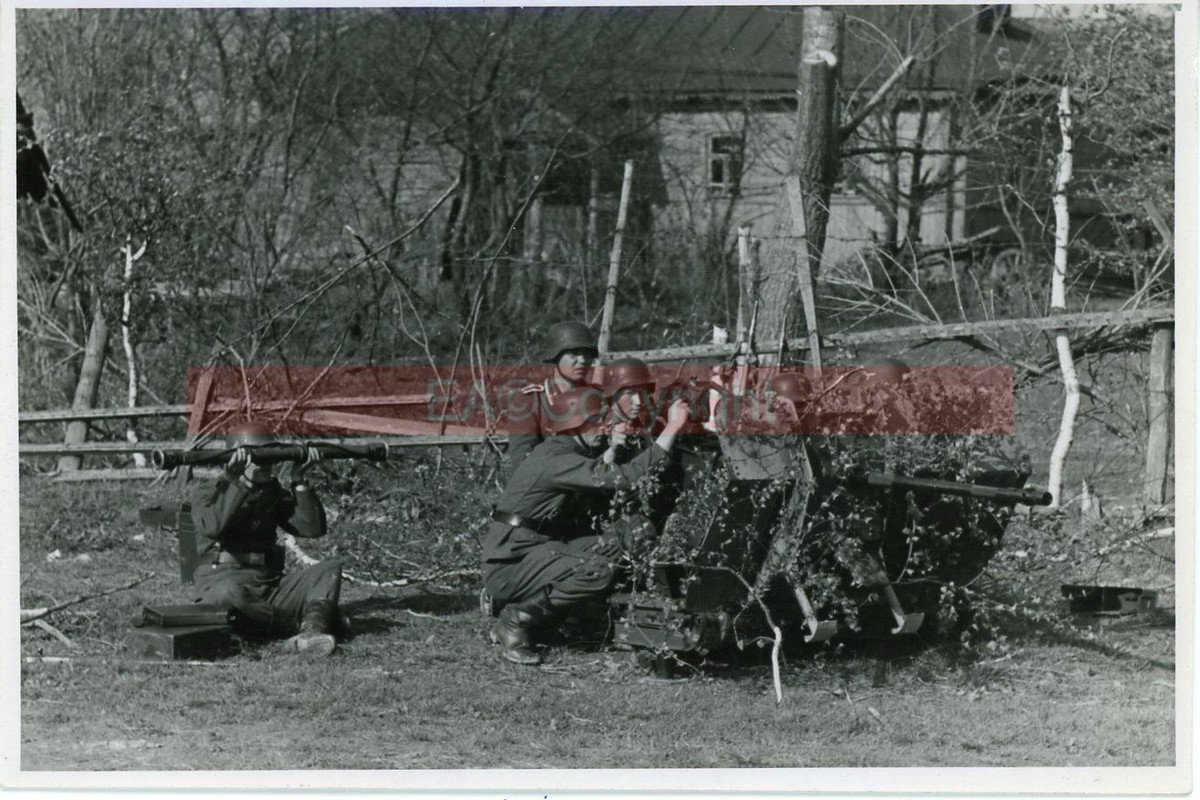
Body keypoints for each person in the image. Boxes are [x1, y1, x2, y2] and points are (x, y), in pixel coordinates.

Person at [482, 386, 691, 666]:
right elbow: (626, 478)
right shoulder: (556, 458)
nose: (605, 427)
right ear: (574, 424)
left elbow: (598, 478)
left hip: (534, 552)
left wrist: (612, 451)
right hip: (511, 564)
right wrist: (673, 426)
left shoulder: (565, 451)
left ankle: (652, 615)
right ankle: (514, 621)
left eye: (605, 420)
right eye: (597, 422)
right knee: (596, 569)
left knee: (625, 536)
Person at [189, 421, 347, 656]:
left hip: (270, 585)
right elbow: (211, 526)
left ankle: (311, 631)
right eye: (257, 458)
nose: (264, 465)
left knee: (328, 570)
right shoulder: (209, 491)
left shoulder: (273, 493)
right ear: (236, 459)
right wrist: (233, 481)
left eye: (269, 457)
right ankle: (302, 627)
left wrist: (299, 480)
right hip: (224, 585)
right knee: (226, 595)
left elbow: (312, 529)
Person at [504, 320, 600, 472]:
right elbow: (523, 462)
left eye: (587, 353)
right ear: (556, 356)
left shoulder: (598, 397)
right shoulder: (530, 400)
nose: (582, 360)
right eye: (574, 353)